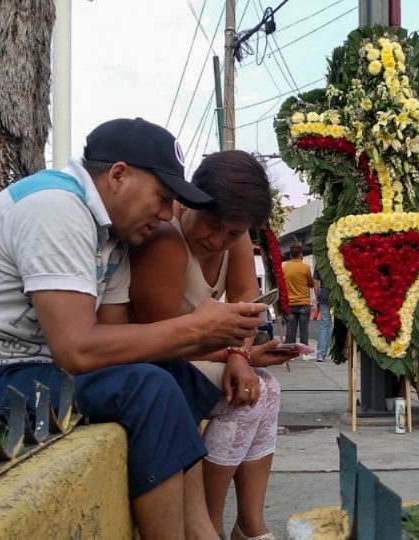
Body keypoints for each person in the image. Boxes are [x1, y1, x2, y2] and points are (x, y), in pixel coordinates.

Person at [0, 118, 268, 540]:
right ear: (118, 175)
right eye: (161, 197)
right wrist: (195, 328)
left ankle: (201, 533)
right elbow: (77, 350)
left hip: (15, 372)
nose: (164, 213)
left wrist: (212, 343)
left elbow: (119, 344)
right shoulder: (56, 205)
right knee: (147, 390)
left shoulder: (114, 237)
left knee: (171, 375)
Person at [130, 150, 291, 540]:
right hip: (156, 361)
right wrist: (240, 355)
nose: (218, 239)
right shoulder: (167, 242)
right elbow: (162, 341)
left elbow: (245, 299)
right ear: (190, 200)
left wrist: (240, 355)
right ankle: (211, 526)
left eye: (233, 233)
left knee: (263, 388)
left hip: (192, 352)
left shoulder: (233, 235)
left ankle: (249, 524)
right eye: (212, 224)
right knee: (251, 394)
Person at [282, 242, 314, 351]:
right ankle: (304, 352)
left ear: (290, 255)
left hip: (290, 304)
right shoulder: (305, 268)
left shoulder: (285, 267)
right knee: (304, 329)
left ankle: (290, 352)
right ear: (301, 254)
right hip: (303, 304)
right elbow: (311, 283)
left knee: (291, 330)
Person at [312, 266, 332, 362]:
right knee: (340, 324)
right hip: (338, 296)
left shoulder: (320, 262)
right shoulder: (338, 256)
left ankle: (321, 354)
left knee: (324, 324)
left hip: (324, 295)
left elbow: (315, 282)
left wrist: (318, 298)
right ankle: (343, 352)